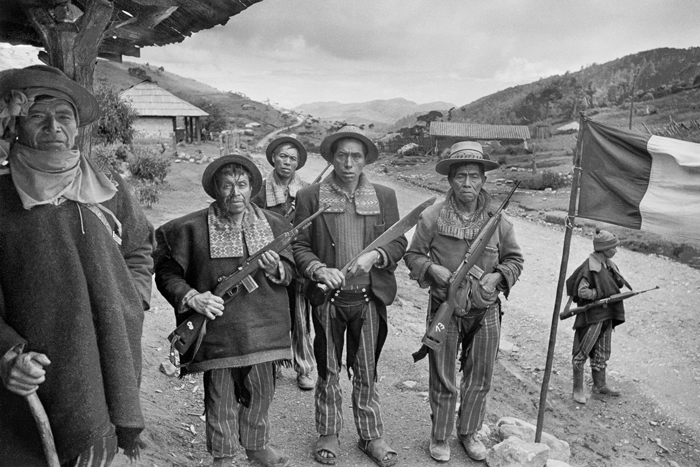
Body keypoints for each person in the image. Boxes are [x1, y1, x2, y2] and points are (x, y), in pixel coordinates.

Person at [0, 65, 154, 466]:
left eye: (64, 116)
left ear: (76, 127)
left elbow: (139, 248)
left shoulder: (109, 188)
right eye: (38, 115)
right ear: (17, 125)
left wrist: (132, 298)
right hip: (34, 371)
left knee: (96, 446)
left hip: (107, 355)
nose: (53, 126)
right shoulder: (1, 196)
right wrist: (6, 355)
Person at [154, 154, 294, 467]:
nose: (235, 193)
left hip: (264, 327)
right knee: (220, 397)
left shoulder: (275, 225)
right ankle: (225, 454)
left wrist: (277, 271)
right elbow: (165, 273)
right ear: (216, 190)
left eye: (242, 184)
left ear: (252, 188)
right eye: (227, 185)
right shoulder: (189, 228)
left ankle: (257, 446)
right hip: (217, 330)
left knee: (261, 390)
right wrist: (193, 298)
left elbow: (292, 270)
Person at [404, 141, 524, 462]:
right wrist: (433, 269)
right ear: (450, 180)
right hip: (445, 307)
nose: (467, 184)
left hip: (485, 309)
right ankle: (441, 435)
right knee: (442, 374)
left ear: (483, 179)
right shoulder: (431, 217)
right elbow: (412, 255)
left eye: (474, 176)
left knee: (480, 374)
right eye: (460, 177)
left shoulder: (499, 221)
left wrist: (497, 276)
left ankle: (469, 432)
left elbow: (515, 261)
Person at [293, 126, 406, 467]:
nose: (348, 162)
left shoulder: (384, 197)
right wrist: (317, 269)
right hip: (329, 298)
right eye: (341, 155)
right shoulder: (310, 197)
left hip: (369, 298)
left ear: (366, 160)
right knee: (328, 367)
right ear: (331, 158)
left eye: (356, 156)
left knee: (366, 369)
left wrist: (378, 256)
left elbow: (399, 242)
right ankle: (328, 431)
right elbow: (298, 245)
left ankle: (370, 435)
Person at [252, 136, 316, 391]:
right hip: (267, 261)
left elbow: (313, 228)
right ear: (273, 158)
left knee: (300, 316)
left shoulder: (308, 190)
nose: (287, 162)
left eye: (293, 158)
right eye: (282, 156)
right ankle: (271, 364)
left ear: (298, 163)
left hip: (297, 261)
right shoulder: (259, 191)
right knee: (269, 313)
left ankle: (304, 368)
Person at [566, 229, 628, 404]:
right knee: (582, 352)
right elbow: (582, 291)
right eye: (613, 248)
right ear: (604, 249)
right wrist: (601, 294)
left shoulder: (609, 264)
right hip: (592, 316)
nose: (616, 251)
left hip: (607, 313)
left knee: (602, 351)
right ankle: (577, 389)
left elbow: (616, 284)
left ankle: (599, 385)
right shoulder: (590, 267)